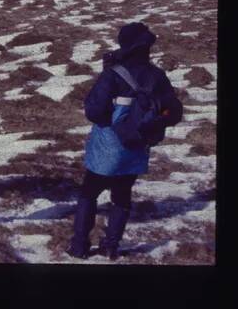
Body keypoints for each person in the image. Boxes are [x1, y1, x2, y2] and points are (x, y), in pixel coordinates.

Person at [66, 22, 183, 260]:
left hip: (107, 147)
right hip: (136, 146)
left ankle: (79, 246)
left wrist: (116, 117)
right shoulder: (157, 76)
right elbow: (175, 113)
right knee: (122, 195)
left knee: (89, 192)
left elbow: (94, 111)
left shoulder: (113, 73)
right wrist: (145, 122)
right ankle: (111, 246)